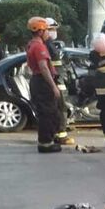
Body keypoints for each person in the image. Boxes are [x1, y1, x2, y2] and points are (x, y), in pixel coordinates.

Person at [24, 17, 62, 153]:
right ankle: (46, 143)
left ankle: (47, 141)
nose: (48, 33)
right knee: (48, 113)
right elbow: (44, 68)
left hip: (37, 81)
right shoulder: (39, 46)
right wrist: (53, 86)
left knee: (46, 113)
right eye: (46, 30)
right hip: (42, 82)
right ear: (40, 31)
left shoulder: (31, 44)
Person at [45, 17, 74, 145]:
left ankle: (55, 133)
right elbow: (55, 67)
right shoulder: (48, 45)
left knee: (56, 109)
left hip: (54, 81)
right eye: (51, 29)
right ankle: (61, 136)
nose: (54, 32)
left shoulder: (48, 44)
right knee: (61, 109)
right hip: (57, 82)